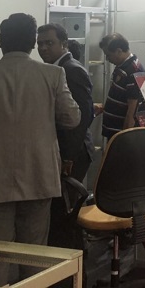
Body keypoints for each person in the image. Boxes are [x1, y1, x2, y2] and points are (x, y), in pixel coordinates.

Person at [0, 13, 80, 285]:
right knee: (33, 253)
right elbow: (72, 118)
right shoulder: (53, 74)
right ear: (33, 43)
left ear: (1, 41)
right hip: (39, 175)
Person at [36, 23, 94, 183]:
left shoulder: (71, 69)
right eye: (40, 43)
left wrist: (69, 156)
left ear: (64, 44)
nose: (43, 48)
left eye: (49, 43)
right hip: (60, 149)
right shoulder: (53, 69)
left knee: (66, 197)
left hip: (74, 151)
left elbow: (83, 116)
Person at [98, 33, 144, 140]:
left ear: (119, 51)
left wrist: (124, 138)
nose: (107, 59)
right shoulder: (123, 66)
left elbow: (132, 110)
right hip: (114, 130)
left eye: (108, 55)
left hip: (120, 134)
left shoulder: (133, 71)